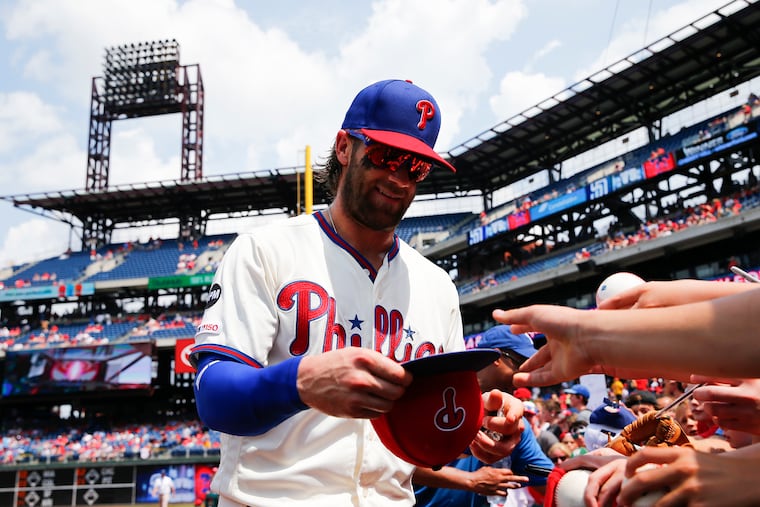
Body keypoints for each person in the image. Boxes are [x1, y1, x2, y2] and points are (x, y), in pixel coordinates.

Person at [190, 79, 523, 507]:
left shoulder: (436, 285)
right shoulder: (266, 250)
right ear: (345, 147)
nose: (399, 178)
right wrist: (299, 382)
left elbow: (437, 420)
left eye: (416, 167)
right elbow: (214, 396)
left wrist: (482, 423)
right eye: (387, 157)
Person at [413, 325, 553, 507]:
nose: (525, 376)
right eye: (521, 364)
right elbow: (397, 463)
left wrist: (581, 476)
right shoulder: (438, 399)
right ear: (496, 357)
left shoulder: (515, 422)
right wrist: (470, 480)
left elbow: (542, 476)